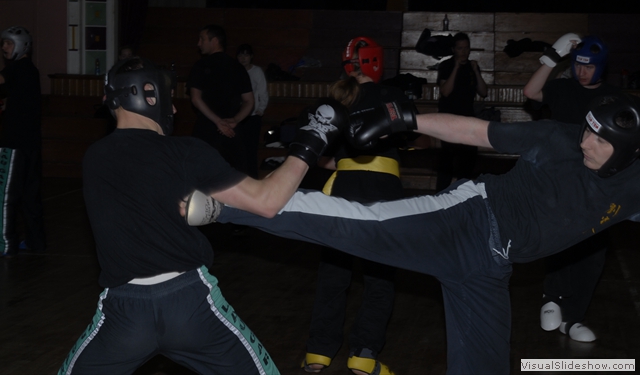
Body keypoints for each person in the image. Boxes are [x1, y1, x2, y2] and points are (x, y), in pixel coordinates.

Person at [187, 93, 640, 375]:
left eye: (599, 141)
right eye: (587, 131)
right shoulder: (559, 138)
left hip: (491, 269)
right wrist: (404, 119)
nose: (585, 143)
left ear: (625, 154)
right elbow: (474, 131)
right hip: (467, 220)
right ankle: (224, 203)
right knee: (355, 223)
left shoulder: (634, 185)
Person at [57, 56, 348, 374]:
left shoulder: (94, 158)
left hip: (124, 314)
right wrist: (313, 137)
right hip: (191, 305)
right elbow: (268, 201)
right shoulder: (185, 153)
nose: (175, 110)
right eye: (169, 101)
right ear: (148, 96)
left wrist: (213, 209)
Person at [302, 37, 410, 375]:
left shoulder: (334, 100)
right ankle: (363, 355)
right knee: (380, 276)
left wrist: (344, 161)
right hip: (382, 189)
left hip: (344, 188)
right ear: (375, 62)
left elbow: (320, 155)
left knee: (334, 273)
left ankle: (318, 354)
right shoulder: (391, 95)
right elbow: (410, 135)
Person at [523, 34, 622, 342]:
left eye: (589, 66)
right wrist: (553, 56)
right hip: (560, 176)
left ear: (601, 68)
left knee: (593, 250)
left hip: (598, 182)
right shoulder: (563, 88)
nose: (582, 71)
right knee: (560, 237)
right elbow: (530, 91)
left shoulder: (614, 97)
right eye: (578, 64)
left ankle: (573, 318)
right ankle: (551, 298)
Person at [0, 26, 46, 257]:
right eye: (4, 44)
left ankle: (6, 243)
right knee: (30, 195)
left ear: (21, 45)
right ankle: (36, 242)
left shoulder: (18, 69)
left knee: (6, 194)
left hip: (15, 144)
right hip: (30, 144)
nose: (4, 48)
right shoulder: (30, 71)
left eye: (9, 43)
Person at [187, 24, 254, 174]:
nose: (199, 43)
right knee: (234, 179)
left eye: (202, 39)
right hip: (232, 132)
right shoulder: (237, 67)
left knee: (203, 178)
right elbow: (249, 101)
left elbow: (195, 99)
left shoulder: (201, 65)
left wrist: (218, 121)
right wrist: (235, 120)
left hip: (207, 130)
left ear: (215, 41)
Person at [436, 32, 487, 191]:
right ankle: (441, 195)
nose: (464, 52)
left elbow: (483, 92)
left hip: (467, 118)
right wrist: (456, 68)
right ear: (453, 49)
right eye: (460, 48)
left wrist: (476, 71)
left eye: (466, 48)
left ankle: (462, 195)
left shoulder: (473, 66)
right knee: (447, 160)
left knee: (468, 159)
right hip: (448, 118)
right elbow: (445, 91)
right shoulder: (446, 65)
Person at [236, 43, 269, 178]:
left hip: (253, 116)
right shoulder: (235, 71)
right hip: (237, 116)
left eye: (246, 55)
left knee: (251, 149)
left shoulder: (257, 72)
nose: (243, 58)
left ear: (251, 57)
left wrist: (260, 109)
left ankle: (252, 178)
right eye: (240, 55)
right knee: (238, 149)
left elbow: (263, 92)